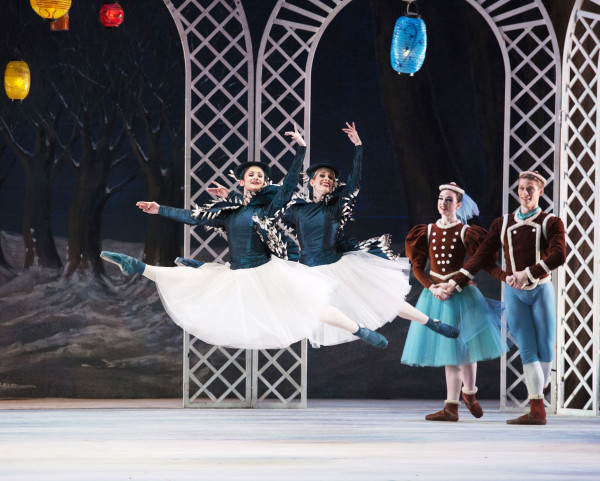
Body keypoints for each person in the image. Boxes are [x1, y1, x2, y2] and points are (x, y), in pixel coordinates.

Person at [100, 125, 388, 350]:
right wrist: (159, 209)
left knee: (313, 310)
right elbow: (193, 217)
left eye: (261, 176)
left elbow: (287, 187)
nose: (257, 177)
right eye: (251, 174)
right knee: (191, 282)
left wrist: (300, 152)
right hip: (238, 272)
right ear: (241, 181)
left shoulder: (269, 208)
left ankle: (359, 330)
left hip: (265, 272)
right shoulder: (229, 212)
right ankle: (136, 266)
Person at [209, 123, 460, 347]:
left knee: (379, 299)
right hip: (309, 271)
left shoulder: (335, 208)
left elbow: (353, 185)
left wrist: (359, 149)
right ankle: (361, 331)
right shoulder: (297, 209)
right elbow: (263, 210)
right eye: (321, 176)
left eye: (330, 177)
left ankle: (431, 322)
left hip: (337, 265)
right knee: (306, 308)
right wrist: (231, 198)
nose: (326, 179)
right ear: (311, 182)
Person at [444, 171, 566, 425]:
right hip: (514, 294)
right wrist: (458, 281)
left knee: (545, 347)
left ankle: (537, 401)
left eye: (530, 188)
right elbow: (481, 257)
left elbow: (559, 255)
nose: (524, 193)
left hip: (541, 290)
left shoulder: (551, 222)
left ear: (540, 192)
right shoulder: (503, 224)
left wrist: (528, 273)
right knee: (527, 348)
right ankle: (537, 409)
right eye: (521, 188)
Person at [401, 182, 508, 422]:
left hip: (462, 293)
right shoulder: (426, 230)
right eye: (441, 198)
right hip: (437, 294)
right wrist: (432, 287)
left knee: (468, 347)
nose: (443, 203)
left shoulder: (466, 231)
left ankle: (469, 393)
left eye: (449, 199)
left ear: (458, 205)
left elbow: (481, 262)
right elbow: (417, 266)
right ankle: (451, 406)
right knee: (450, 351)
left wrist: (502, 276)